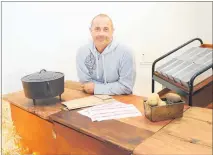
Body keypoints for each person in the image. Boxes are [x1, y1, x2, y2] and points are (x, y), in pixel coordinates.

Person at [76, 14, 136, 95]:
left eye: (106, 29)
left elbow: (126, 87)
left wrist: (96, 88)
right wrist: (115, 87)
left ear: (112, 31)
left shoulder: (126, 52)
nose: (101, 34)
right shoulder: (82, 52)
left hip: (121, 99)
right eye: (97, 29)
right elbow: (86, 84)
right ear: (91, 31)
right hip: (90, 98)